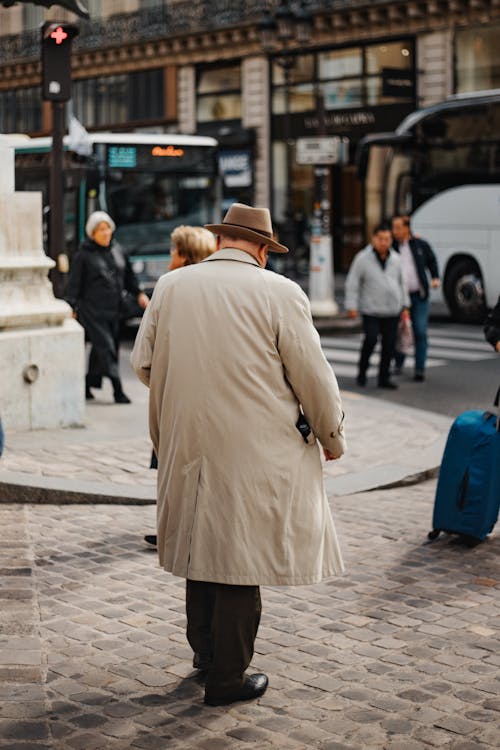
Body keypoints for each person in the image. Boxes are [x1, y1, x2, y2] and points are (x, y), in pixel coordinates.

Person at [131, 202, 346, 707]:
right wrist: (331, 436)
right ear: (263, 251)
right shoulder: (280, 293)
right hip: (255, 448)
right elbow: (312, 378)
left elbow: (144, 365)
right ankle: (228, 677)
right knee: (239, 556)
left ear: (222, 240)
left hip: (188, 441)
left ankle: (205, 655)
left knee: (201, 548)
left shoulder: (172, 286)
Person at [144, 225, 216, 549]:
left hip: (178, 396)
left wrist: (163, 385)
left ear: (185, 254)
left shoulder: (169, 287)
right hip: (211, 396)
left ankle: (175, 529)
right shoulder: (218, 288)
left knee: (175, 466)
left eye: (174, 251)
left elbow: (143, 359)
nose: (170, 256)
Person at [66, 211, 149, 404]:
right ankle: (118, 390)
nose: (105, 233)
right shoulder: (83, 255)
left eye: (107, 228)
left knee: (102, 349)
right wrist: (71, 306)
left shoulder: (118, 250)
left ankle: (87, 385)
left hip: (114, 310)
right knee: (107, 348)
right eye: (100, 229)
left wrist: (139, 294)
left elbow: (129, 276)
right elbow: (74, 284)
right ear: (92, 233)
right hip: (92, 311)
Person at [345, 223, 410, 390]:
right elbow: (353, 282)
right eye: (380, 239)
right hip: (371, 309)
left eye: (387, 239)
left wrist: (405, 305)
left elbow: (402, 283)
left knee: (389, 345)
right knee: (371, 340)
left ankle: (384, 377)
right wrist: (351, 305)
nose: (384, 242)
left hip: (392, 310)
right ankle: (362, 372)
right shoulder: (362, 258)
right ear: (373, 239)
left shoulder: (395, 259)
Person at [391, 214, 440, 381]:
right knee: (400, 330)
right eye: (393, 228)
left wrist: (435, 277)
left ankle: (420, 368)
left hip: (418, 295)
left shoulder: (419, 245)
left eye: (398, 228)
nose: (395, 231)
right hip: (398, 296)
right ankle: (398, 362)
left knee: (420, 330)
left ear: (407, 227)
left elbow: (432, 261)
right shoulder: (391, 247)